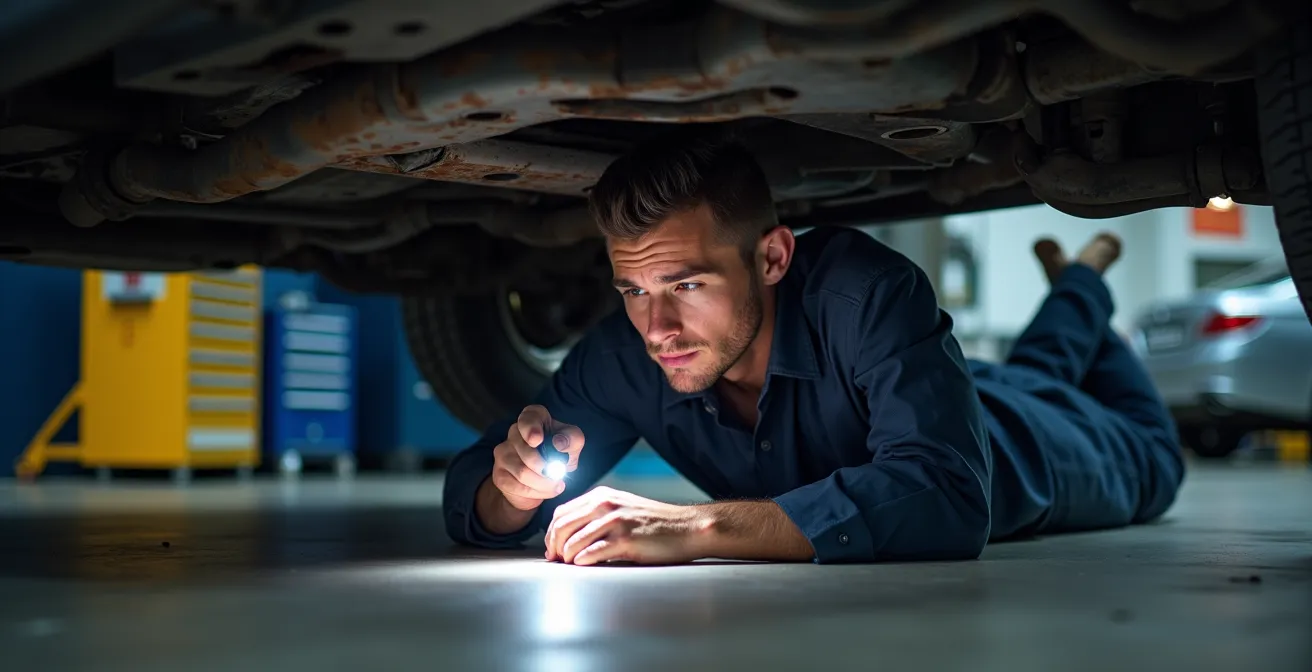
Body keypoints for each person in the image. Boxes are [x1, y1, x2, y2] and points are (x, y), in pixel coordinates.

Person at [441, 133, 1186, 566]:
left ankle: (1082, 282)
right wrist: (511, 493)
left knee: (1144, 446)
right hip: (953, 387)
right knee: (1035, 366)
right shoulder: (628, 351)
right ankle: (1072, 287)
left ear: (771, 258)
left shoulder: (866, 294)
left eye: (687, 284)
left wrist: (696, 527)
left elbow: (952, 501)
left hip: (1035, 442)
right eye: (634, 290)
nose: (657, 325)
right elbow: (472, 489)